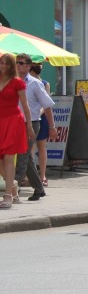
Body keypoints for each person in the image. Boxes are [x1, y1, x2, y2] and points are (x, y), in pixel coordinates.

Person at [0, 53, 35, 209]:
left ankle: (7, 196)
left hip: (13, 121)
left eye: (7, 63)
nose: (4, 66)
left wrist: (29, 126)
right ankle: (12, 185)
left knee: (8, 158)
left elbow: (25, 106)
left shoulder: (17, 82)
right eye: (1, 63)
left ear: (12, 66)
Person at [15, 54, 51, 200]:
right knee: (26, 158)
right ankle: (39, 188)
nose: (18, 65)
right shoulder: (13, 82)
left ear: (28, 66)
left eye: (21, 63)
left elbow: (47, 105)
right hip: (15, 123)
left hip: (32, 123)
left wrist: (52, 126)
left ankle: (13, 189)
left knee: (22, 154)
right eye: (16, 62)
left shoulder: (35, 83)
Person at [28, 62, 52, 182]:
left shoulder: (45, 83)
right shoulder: (27, 82)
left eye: (40, 64)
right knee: (30, 147)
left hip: (41, 118)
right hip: (30, 118)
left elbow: (46, 103)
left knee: (42, 147)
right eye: (37, 64)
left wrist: (39, 112)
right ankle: (30, 175)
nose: (40, 66)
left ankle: (42, 175)